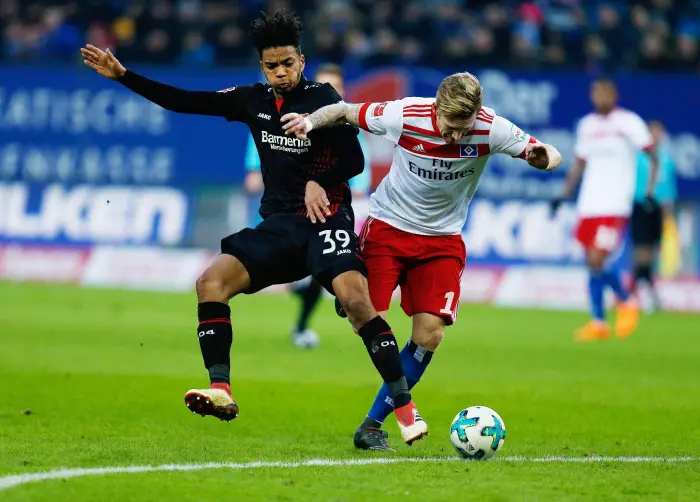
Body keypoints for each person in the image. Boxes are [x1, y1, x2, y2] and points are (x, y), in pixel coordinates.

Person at [80, 11, 428, 446]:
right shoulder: (252, 100)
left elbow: (354, 161)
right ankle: (221, 389)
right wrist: (124, 75)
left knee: (357, 301)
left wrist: (320, 181)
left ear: (301, 60)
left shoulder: (325, 98)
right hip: (280, 226)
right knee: (210, 283)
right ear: (261, 67)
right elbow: (186, 100)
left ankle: (404, 407)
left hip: (326, 222)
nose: (280, 72)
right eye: (271, 65)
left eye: (287, 63)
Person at [282, 71, 562, 450]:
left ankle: (372, 426)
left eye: (465, 128)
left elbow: (546, 152)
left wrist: (543, 159)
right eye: (450, 127)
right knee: (362, 316)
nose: (456, 137)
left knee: (429, 334)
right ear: (437, 109)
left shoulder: (492, 128)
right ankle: (343, 285)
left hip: (442, 241)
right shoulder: (405, 114)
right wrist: (310, 121)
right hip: (388, 229)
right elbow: (345, 111)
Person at [243, 63, 371, 349]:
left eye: (334, 87)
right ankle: (311, 297)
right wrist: (255, 172)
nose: (328, 92)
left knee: (327, 271)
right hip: (289, 210)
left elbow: (358, 168)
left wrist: (356, 192)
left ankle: (309, 315)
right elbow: (260, 156)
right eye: (324, 85)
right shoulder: (284, 119)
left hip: (329, 209)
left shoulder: (348, 127)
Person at [551, 77, 658, 342]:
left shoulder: (628, 122)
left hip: (614, 203)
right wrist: (564, 194)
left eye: (605, 93)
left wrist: (648, 190)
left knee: (598, 258)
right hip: (589, 203)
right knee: (591, 262)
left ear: (614, 95)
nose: (601, 97)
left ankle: (626, 300)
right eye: (596, 93)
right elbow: (580, 163)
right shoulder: (587, 125)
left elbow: (652, 155)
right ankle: (598, 323)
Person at [630, 120, 677, 311]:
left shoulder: (665, 158)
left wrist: (668, 207)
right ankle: (639, 288)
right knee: (640, 247)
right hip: (641, 204)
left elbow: (668, 186)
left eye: (659, 132)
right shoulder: (638, 157)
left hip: (657, 206)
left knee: (652, 248)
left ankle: (644, 285)